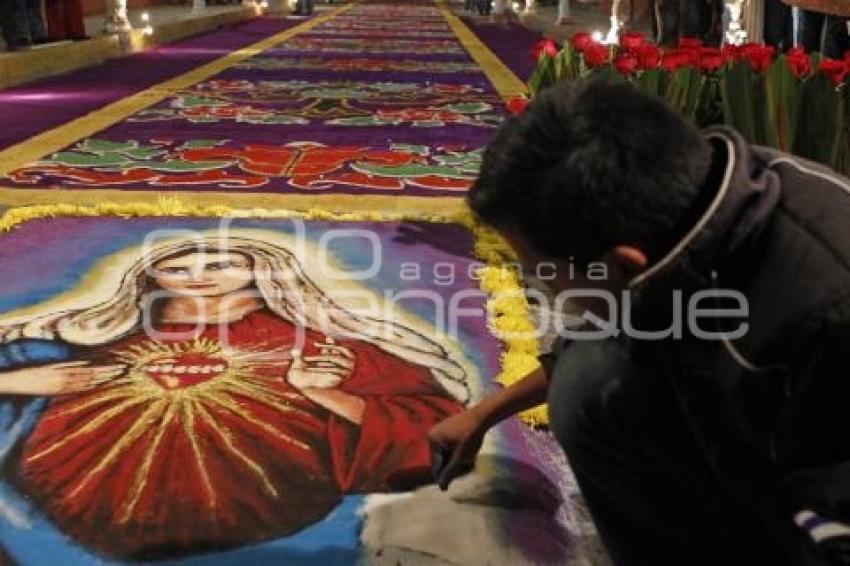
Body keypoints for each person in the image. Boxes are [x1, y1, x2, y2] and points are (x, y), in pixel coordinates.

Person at [429, 80, 850, 565]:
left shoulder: (822, 324)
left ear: (625, 265)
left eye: (547, 276)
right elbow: (596, 334)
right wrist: (483, 414)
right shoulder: (701, 192)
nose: (546, 290)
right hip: (765, 422)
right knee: (588, 377)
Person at [0, 236, 467, 559]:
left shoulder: (324, 344)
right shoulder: (86, 338)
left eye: (220, 263)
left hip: (275, 519)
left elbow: (437, 427)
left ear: (260, 267)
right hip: (51, 518)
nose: (198, 277)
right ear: (150, 276)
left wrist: (328, 394)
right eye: (176, 267)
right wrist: (18, 382)